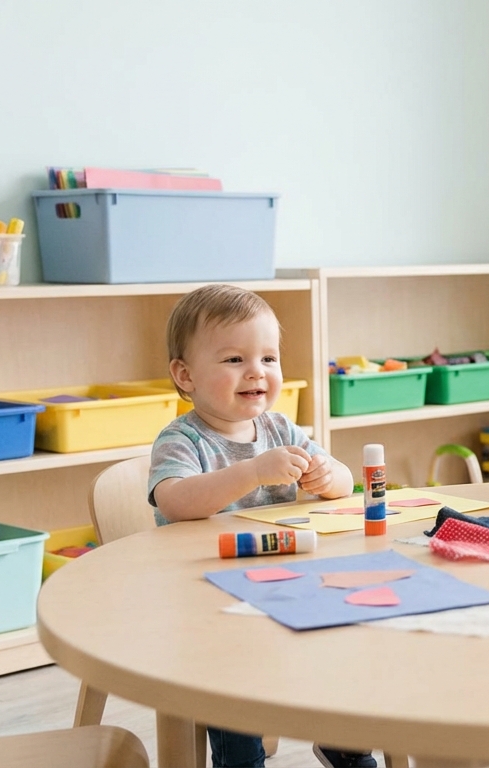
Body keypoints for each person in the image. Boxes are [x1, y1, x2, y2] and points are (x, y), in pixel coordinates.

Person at [147, 284, 371, 768]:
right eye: (233, 360)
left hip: (285, 581)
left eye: (269, 358)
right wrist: (250, 472)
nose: (256, 372)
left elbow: (346, 483)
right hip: (208, 597)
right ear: (184, 375)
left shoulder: (281, 429)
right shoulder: (180, 439)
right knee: (230, 677)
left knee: (344, 641)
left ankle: (346, 748)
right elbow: (175, 500)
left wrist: (328, 477)